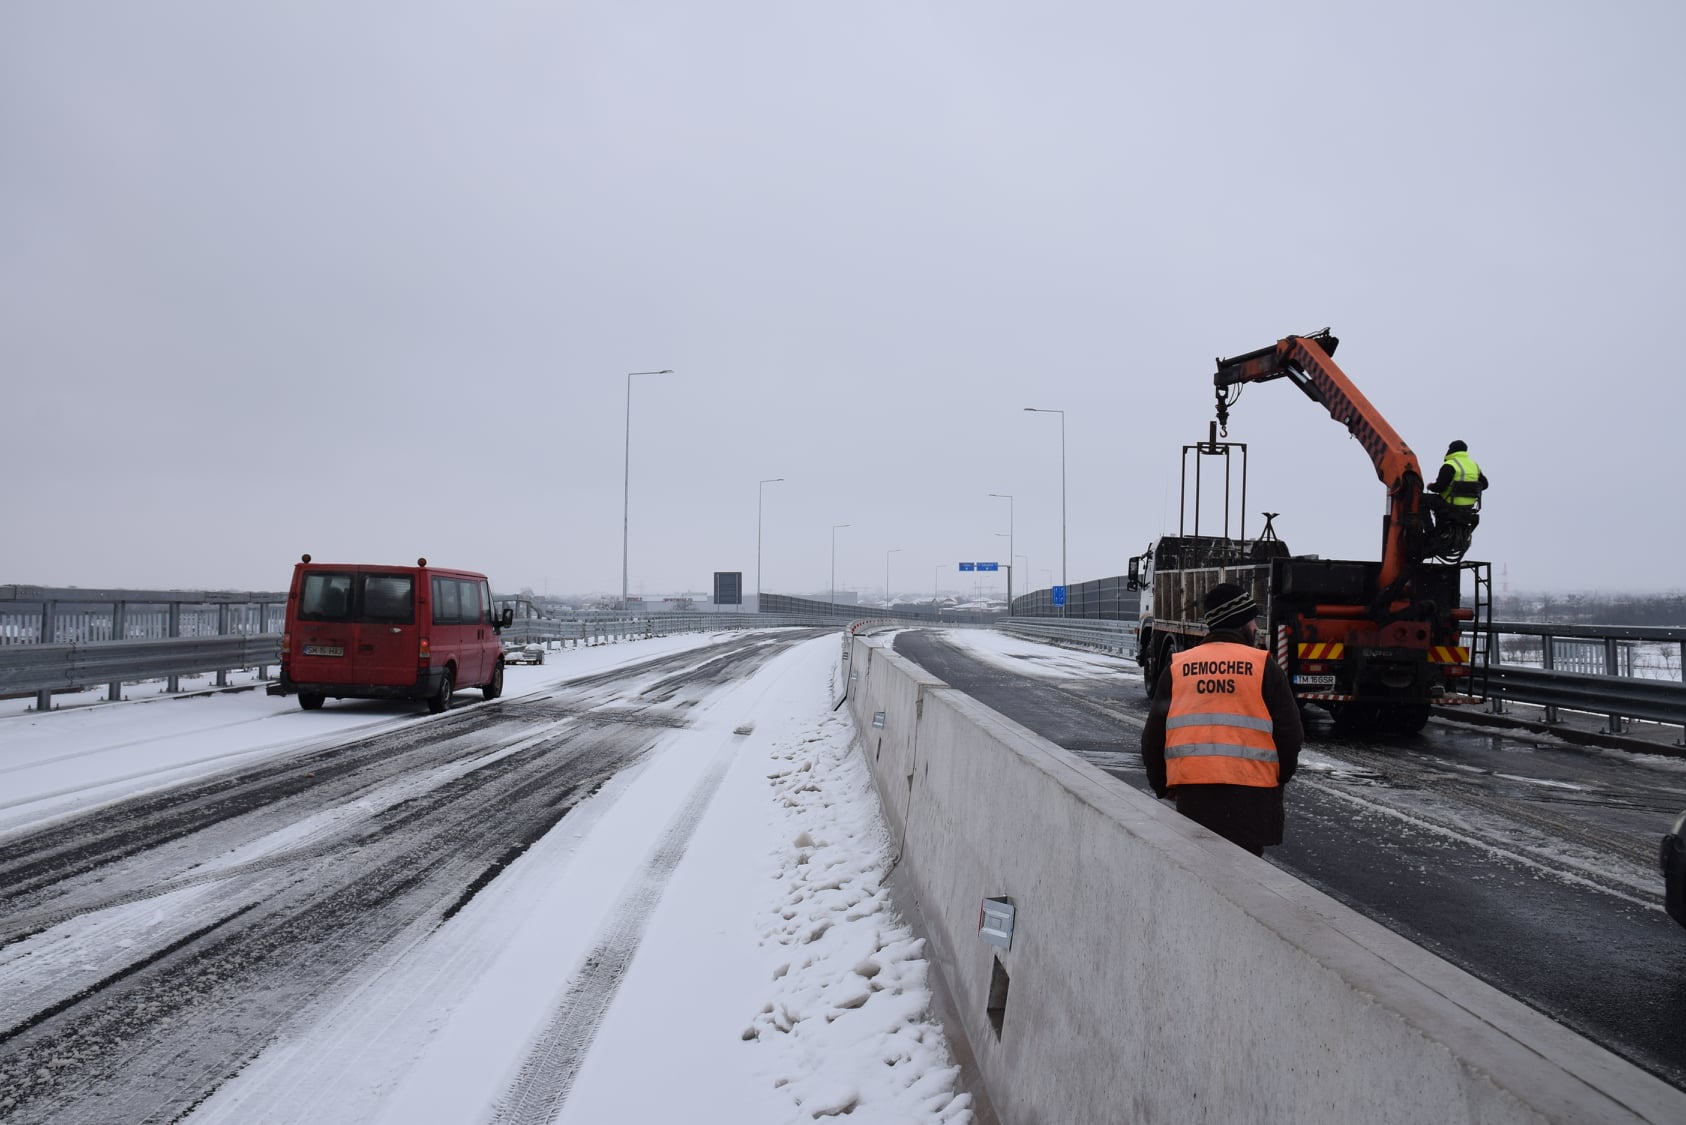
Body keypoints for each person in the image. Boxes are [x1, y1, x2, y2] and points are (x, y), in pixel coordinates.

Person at [1140, 583, 1304, 856]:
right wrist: (1278, 778)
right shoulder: (1264, 666)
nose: (1256, 627)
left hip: (1195, 798)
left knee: (1200, 876)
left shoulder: (1179, 667)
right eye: (1252, 620)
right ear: (1241, 622)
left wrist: (1162, 785)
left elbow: (1153, 738)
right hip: (1251, 799)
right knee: (1242, 884)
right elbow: (1290, 735)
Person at [1423, 439, 1488, 540]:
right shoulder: (1474, 466)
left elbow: (1440, 488)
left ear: (1451, 450)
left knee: (1421, 499)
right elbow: (1485, 485)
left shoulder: (1450, 465)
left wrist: (1431, 486)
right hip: (1468, 508)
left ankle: (1430, 532)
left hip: (1449, 504)